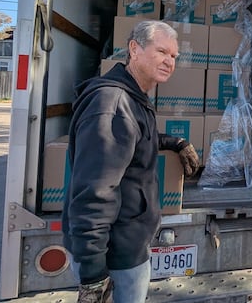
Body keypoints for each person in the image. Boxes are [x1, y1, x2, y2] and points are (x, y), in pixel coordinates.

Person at [62, 20, 201, 303]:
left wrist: (175, 143)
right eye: (161, 51)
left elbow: (133, 139)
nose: (169, 61)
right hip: (116, 257)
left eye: (174, 56)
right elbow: (94, 192)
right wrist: (93, 275)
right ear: (134, 49)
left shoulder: (132, 100)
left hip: (129, 245)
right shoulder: (113, 105)